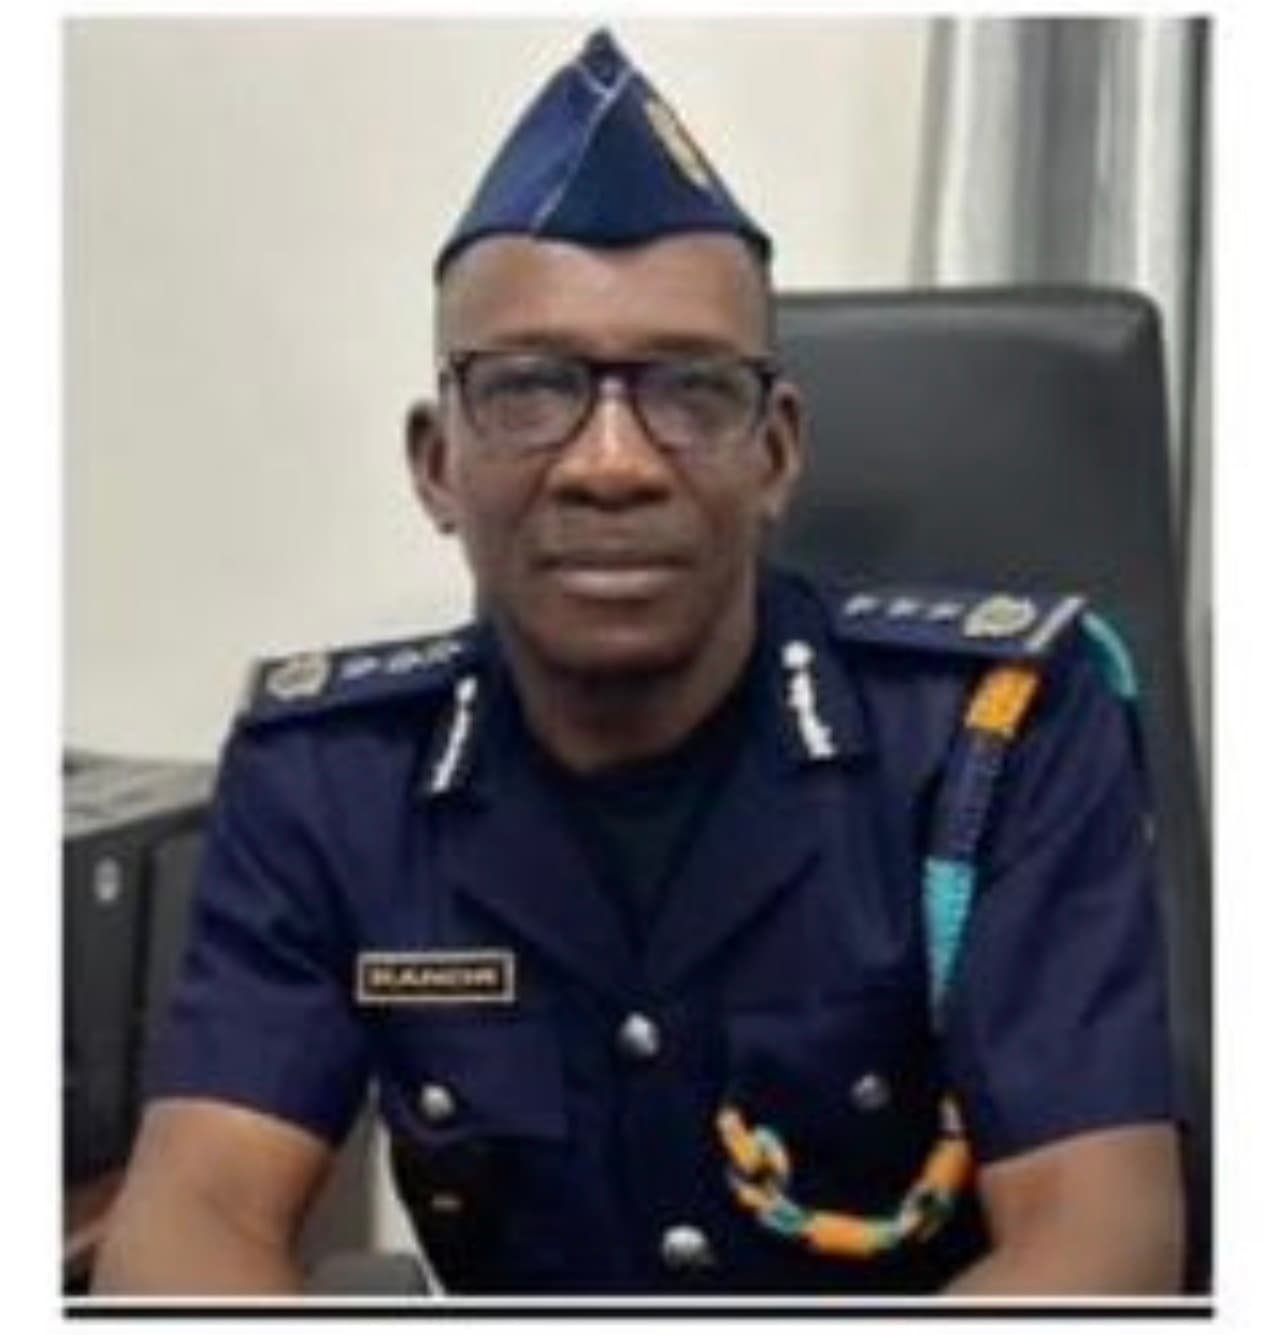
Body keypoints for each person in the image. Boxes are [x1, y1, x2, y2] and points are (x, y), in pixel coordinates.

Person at [93, 29, 1183, 1296]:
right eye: (527, 388)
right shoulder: (328, 781)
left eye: (691, 391)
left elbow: (1103, 1248)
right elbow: (191, 1221)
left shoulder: (997, 742)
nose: (612, 462)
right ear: (437, 464)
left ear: (775, 451)